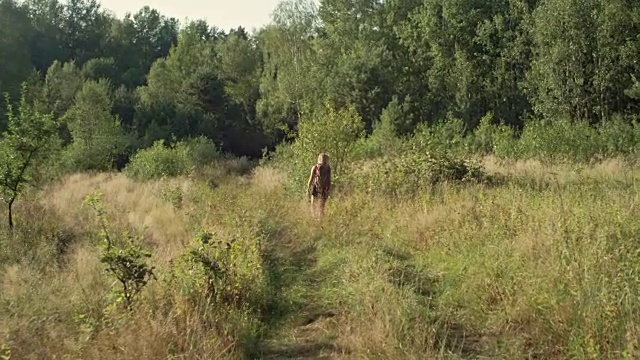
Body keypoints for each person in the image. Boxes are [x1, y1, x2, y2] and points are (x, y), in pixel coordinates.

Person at [307, 153, 331, 218]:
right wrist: (328, 190)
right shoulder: (328, 168)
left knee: (313, 205)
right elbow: (329, 180)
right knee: (322, 207)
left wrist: (308, 189)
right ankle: (321, 220)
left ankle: (314, 218)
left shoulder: (315, 167)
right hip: (324, 188)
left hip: (316, 187)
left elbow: (311, 179)